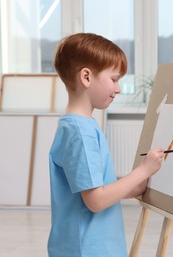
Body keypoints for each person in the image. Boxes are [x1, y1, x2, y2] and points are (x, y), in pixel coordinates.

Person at [47, 33, 164, 257]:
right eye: (114, 79)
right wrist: (143, 170)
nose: (118, 88)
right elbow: (96, 201)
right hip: (89, 249)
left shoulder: (77, 126)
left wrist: (133, 188)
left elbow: (91, 191)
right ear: (86, 77)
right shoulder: (81, 133)